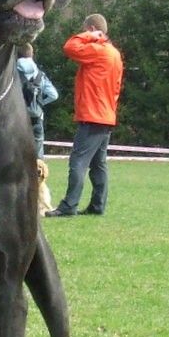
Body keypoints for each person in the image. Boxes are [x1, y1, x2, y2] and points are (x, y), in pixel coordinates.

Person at [46, 14, 123, 217]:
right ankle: (97, 206)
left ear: (93, 29)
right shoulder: (115, 54)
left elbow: (70, 47)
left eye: (86, 30)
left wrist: (90, 36)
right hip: (106, 115)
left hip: (93, 114)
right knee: (98, 164)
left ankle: (69, 205)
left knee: (78, 161)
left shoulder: (98, 50)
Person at [16, 43, 59, 158]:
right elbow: (54, 95)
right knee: (38, 157)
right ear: (32, 54)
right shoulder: (40, 74)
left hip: (16, 117)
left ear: (17, 55)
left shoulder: (12, 73)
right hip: (36, 117)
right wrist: (40, 104)